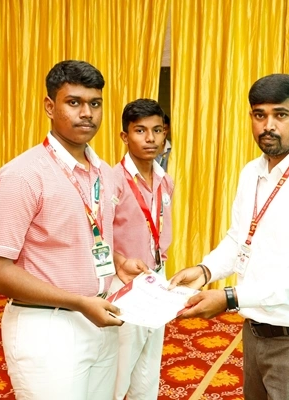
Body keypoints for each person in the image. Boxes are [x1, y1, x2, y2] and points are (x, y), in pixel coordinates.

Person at [169, 74, 289, 400]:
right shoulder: (252, 172)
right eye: (259, 115)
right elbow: (239, 238)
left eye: (280, 115)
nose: (268, 126)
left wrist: (230, 298)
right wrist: (205, 270)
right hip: (256, 330)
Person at [0, 60, 123, 400]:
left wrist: (119, 262)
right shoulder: (23, 175)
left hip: (100, 318)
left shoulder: (104, 172)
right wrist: (77, 302)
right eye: (74, 102)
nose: (87, 113)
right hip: (46, 327)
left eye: (95, 103)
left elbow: (81, 239)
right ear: (49, 106)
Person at [110, 99, 174, 400]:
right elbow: (94, 237)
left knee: (149, 367)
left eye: (157, 130)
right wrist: (118, 262)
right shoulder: (112, 182)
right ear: (125, 136)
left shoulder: (165, 181)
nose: (150, 138)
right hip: (123, 282)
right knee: (119, 368)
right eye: (140, 131)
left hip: (156, 277)